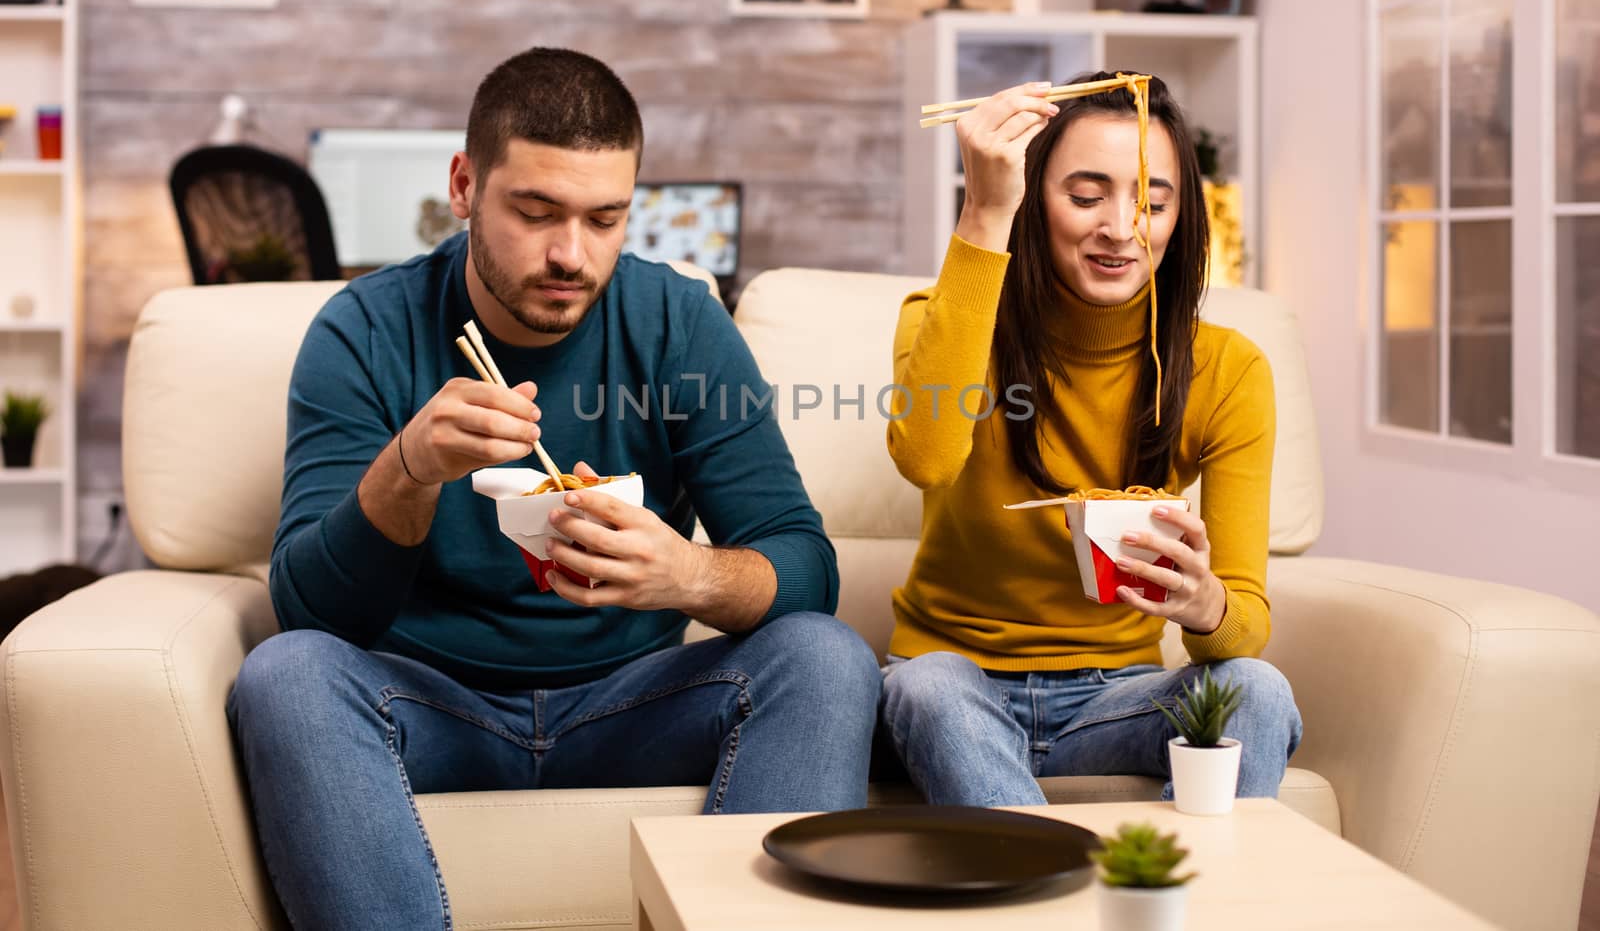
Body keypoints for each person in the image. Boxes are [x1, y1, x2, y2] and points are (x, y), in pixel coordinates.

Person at [227, 47, 880, 929]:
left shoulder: (678, 322)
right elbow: (310, 612)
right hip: (428, 704)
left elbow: (807, 568)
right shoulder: (366, 329)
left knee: (827, 658)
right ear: (464, 185)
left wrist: (686, 575)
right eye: (535, 213)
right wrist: (408, 468)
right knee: (285, 674)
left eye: (606, 219)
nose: (572, 255)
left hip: (635, 699)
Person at [879, 73, 1301, 806]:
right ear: (1036, 198)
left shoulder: (1228, 370)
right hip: (958, 682)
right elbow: (926, 457)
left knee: (1255, 690)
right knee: (926, 687)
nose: (1121, 226)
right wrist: (984, 210)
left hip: (1119, 696)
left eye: (1154, 202)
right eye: (1084, 196)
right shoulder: (941, 317)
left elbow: (1242, 626)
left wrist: (1204, 604)